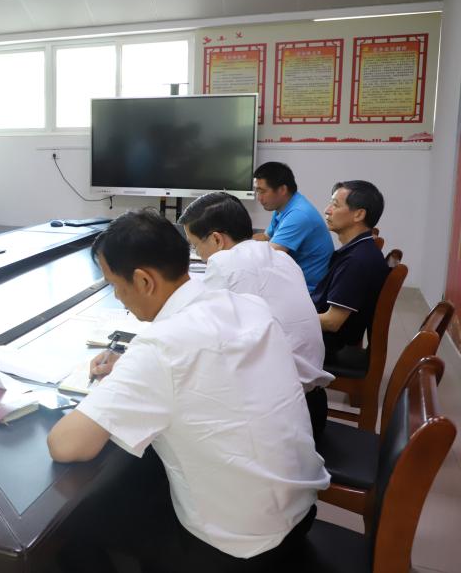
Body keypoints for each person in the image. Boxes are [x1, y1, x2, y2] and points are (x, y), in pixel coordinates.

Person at [47, 210, 328, 572]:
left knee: (76, 527)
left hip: (236, 548)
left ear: (144, 280)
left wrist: (130, 374)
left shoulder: (162, 346)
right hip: (298, 512)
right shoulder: (249, 306)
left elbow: (67, 445)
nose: (118, 297)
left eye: (115, 285)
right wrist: (133, 370)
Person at [179, 192, 333, 435]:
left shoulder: (225, 264)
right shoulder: (281, 258)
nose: (197, 253)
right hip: (312, 403)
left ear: (217, 239)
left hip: (279, 420)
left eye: (195, 245)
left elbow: (204, 341)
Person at [312, 180, 390, 357]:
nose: (327, 210)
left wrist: (287, 318)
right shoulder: (359, 249)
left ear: (359, 215)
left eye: (335, 205)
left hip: (327, 346)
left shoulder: (356, 261)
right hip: (324, 336)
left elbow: (332, 322)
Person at [251, 162, 333, 292]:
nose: (259, 198)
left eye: (262, 191)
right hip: (291, 285)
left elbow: (268, 256)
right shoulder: (283, 207)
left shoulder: (299, 214)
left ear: (282, 190)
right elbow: (266, 237)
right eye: (256, 191)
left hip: (308, 293)